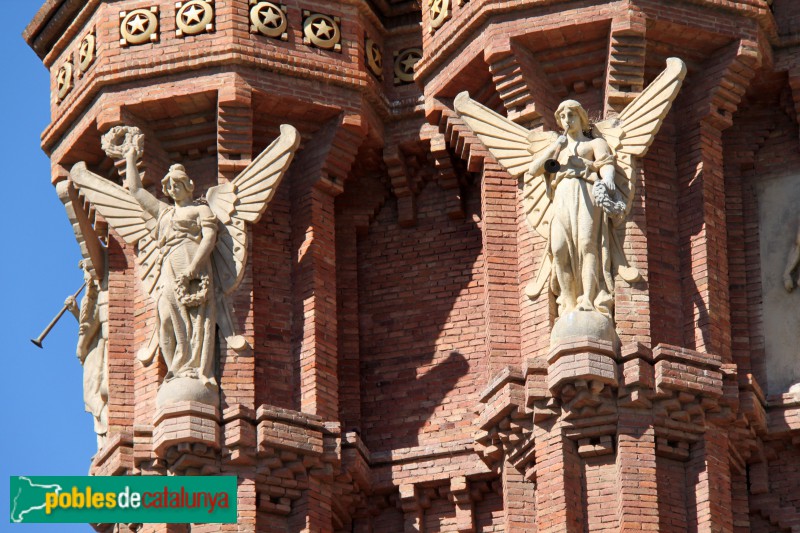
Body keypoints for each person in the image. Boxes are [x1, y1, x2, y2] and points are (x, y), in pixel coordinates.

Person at [124, 146, 219, 386]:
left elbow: (209, 238)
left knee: (196, 317)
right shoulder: (163, 212)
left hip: (192, 262)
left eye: (177, 184)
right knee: (165, 318)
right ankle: (175, 370)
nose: (173, 188)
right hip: (168, 265)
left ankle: (193, 366)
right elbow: (136, 191)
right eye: (170, 185)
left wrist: (195, 267)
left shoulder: (200, 209)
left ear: (188, 185)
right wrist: (130, 158)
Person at [525, 100, 617, 317]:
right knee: (558, 249)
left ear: (581, 117)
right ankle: (567, 302)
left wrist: (609, 179)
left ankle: (588, 298)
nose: (568, 120)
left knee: (587, 244)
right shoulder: (559, 148)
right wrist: (555, 146)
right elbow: (533, 170)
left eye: (572, 115)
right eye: (563, 117)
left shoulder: (594, 144)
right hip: (562, 195)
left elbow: (607, 164)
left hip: (586, 192)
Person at [65, 260, 108, 449]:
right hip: (92, 350)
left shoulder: (99, 295)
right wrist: (75, 311)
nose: (84, 276)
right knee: (91, 397)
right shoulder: (88, 298)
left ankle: (107, 436)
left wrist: (80, 348)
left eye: (87, 271)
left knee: (96, 396)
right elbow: (87, 328)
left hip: (97, 350)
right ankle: (102, 441)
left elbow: (92, 325)